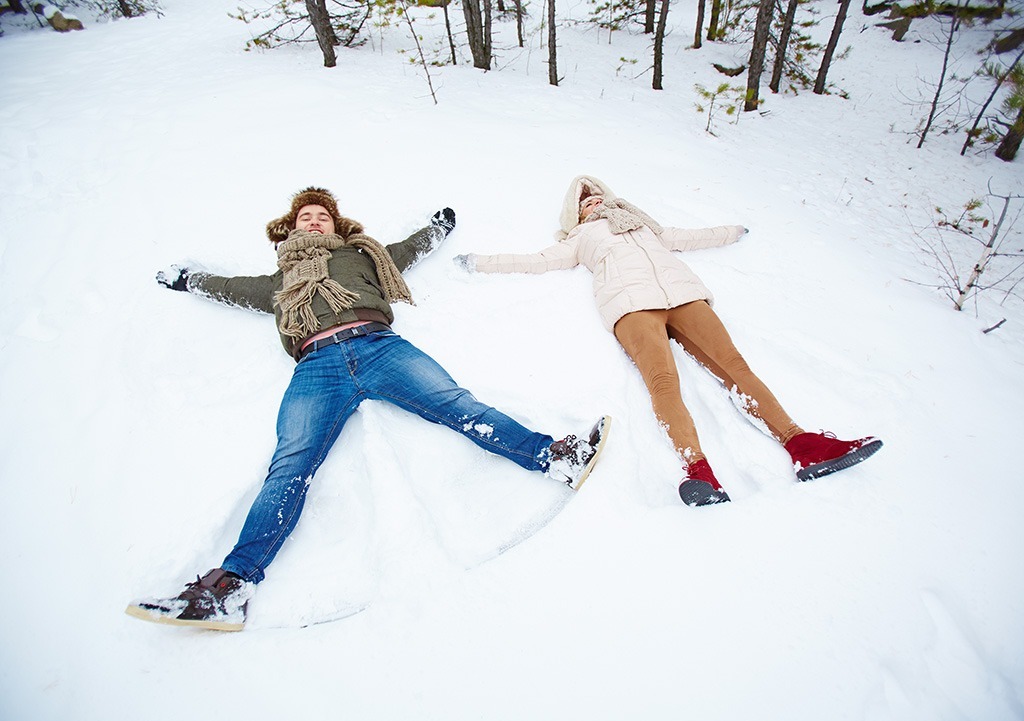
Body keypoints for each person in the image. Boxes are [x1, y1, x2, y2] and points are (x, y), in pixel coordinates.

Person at [125, 186, 610, 632]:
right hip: (317, 366)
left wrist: (436, 228)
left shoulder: (361, 256)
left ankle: (556, 458)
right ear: (291, 230)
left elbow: (405, 252)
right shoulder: (278, 282)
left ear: (336, 227)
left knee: (458, 406)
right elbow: (229, 287)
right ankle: (228, 590)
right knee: (290, 465)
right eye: (305, 218)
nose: (313, 222)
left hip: (379, 346)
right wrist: (191, 280)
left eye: (322, 217)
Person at [453, 175, 881, 508]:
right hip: (632, 308)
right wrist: (480, 262)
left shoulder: (644, 226)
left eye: (598, 193)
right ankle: (698, 470)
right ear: (577, 214)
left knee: (736, 367)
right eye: (585, 200)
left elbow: (691, 236)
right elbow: (536, 262)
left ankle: (803, 444)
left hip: (685, 298)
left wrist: (733, 230)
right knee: (663, 381)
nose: (594, 200)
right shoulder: (580, 239)